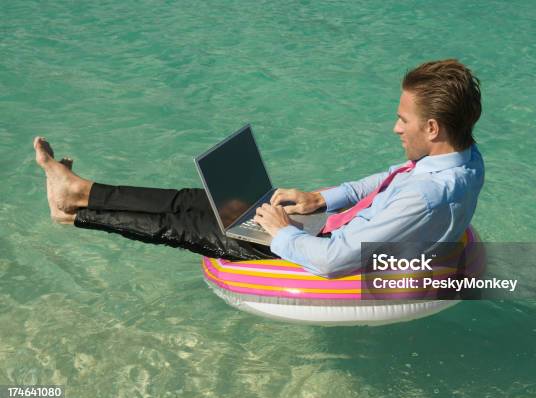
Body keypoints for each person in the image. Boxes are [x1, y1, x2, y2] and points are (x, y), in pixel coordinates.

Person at [33, 59, 484, 278]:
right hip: (326, 223)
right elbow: (382, 178)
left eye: (403, 121)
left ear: (431, 126)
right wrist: (322, 198)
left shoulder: (425, 196)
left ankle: (74, 213)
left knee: (183, 225)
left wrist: (282, 233)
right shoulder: (462, 156)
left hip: (311, 250)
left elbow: (335, 262)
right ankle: (80, 188)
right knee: (197, 201)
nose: (395, 128)